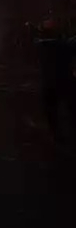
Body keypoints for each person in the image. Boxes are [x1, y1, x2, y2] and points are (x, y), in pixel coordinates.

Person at [33, 17, 76, 146]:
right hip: (64, 81)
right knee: (71, 110)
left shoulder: (40, 44)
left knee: (52, 113)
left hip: (49, 83)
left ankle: (57, 136)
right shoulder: (62, 45)